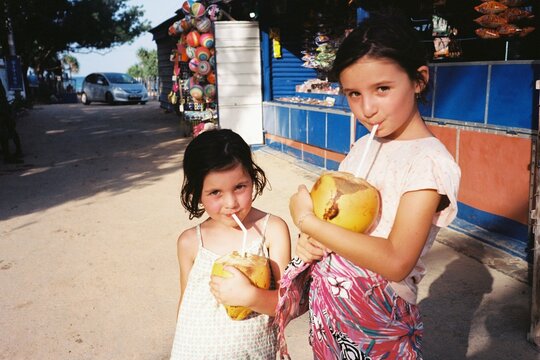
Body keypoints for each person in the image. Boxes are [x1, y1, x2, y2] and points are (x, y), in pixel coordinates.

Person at [275, 12, 461, 360]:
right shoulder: (363, 147)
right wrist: (312, 238)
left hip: (377, 314)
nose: (367, 108)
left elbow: (395, 261)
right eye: (354, 94)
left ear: (419, 80)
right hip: (331, 308)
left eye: (382, 89)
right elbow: (334, 218)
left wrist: (307, 222)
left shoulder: (428, 164)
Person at [169, 128, 291, 359]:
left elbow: (285, 304)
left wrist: (251, 297)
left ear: (252, 179)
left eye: (239, 187)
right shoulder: (191, 242)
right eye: (215, 192)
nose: (231, 203)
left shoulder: (271, 231)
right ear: (197, 193)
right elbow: (186, 305)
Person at [0, 79, 23, 164]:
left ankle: (12, 153)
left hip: (3, 109)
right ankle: (9, 155)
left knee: (7, 131)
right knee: (6, 132)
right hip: (3, 109)